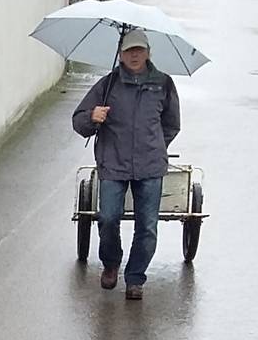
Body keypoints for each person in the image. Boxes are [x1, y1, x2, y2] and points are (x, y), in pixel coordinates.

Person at [72, 28, 182, 301]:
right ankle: (111, 262)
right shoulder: (107, 85)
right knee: (108, 218)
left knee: (147, 227)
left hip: (150, 166)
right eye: (129, 50)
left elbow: (172, 124)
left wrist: (155, 146)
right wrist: (92, 117)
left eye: (139, 50)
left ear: (148, 53)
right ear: (120, 54)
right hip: (113, 163)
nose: (134, 55)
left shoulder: (163, 84)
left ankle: (135, 278)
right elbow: (79, 121)